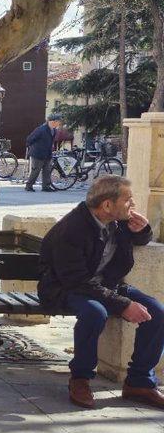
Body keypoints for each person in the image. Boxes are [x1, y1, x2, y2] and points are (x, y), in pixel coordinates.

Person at [38, 175, 162, 409]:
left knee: (157, 311)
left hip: (107, 286)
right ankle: (80, 378)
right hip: (65, 289)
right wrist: (123, 304)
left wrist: (144, 230)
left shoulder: (118, 222)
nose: (132, 204)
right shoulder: (71, 229)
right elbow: (77, 281)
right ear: (107, 205)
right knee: (95, 312)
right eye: (128, 200)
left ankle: (140, 382)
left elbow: (135, 241)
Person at [25, 114, 61, 192]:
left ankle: (46, 186)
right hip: (37, 153)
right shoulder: (41, 129)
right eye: (58, 122)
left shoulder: (54, 130)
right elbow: (30, 139)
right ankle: (29, 185)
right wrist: (32, 148)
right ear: (54, 122)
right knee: (36, 170)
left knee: (47, 170)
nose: (59, 124)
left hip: (47, 153)